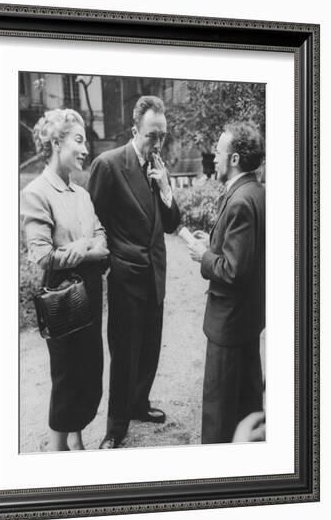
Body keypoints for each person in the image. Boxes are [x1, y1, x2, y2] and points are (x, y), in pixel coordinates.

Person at [89, 96, 181, 449]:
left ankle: (139, 404)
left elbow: (171, 224)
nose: (157, 144)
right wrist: (110, 263)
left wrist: (165, 189)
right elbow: (94, 221)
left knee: (149, 349)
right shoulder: (109, 164)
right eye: (151, 136)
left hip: (155, 274)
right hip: (126, 278)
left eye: (163, 136)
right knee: (125, 353)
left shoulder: (160, 167)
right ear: (134, 130)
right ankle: (115, 427)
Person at [20, 109, 109, 451]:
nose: (86, 147)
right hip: (61, 296)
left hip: (90, 293)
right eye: (79, 139)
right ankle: (58, 454)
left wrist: (82, 246)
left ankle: (78, 438)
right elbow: (41, 255)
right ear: (56, 142)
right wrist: (87, 250)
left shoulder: (83, 194)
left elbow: (103, 243)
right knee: (67, 378)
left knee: (89, 374)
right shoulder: (36, 192)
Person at [188, 121, 265, 444]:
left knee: (219, 415)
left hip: (229, 325)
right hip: (247, 322)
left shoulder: (239, 201)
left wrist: (204, 255)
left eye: (218, 152)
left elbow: (234, 271)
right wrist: (214, 243)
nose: (214, 157)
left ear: (233, 159)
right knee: (247, 403)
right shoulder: (256, 192)